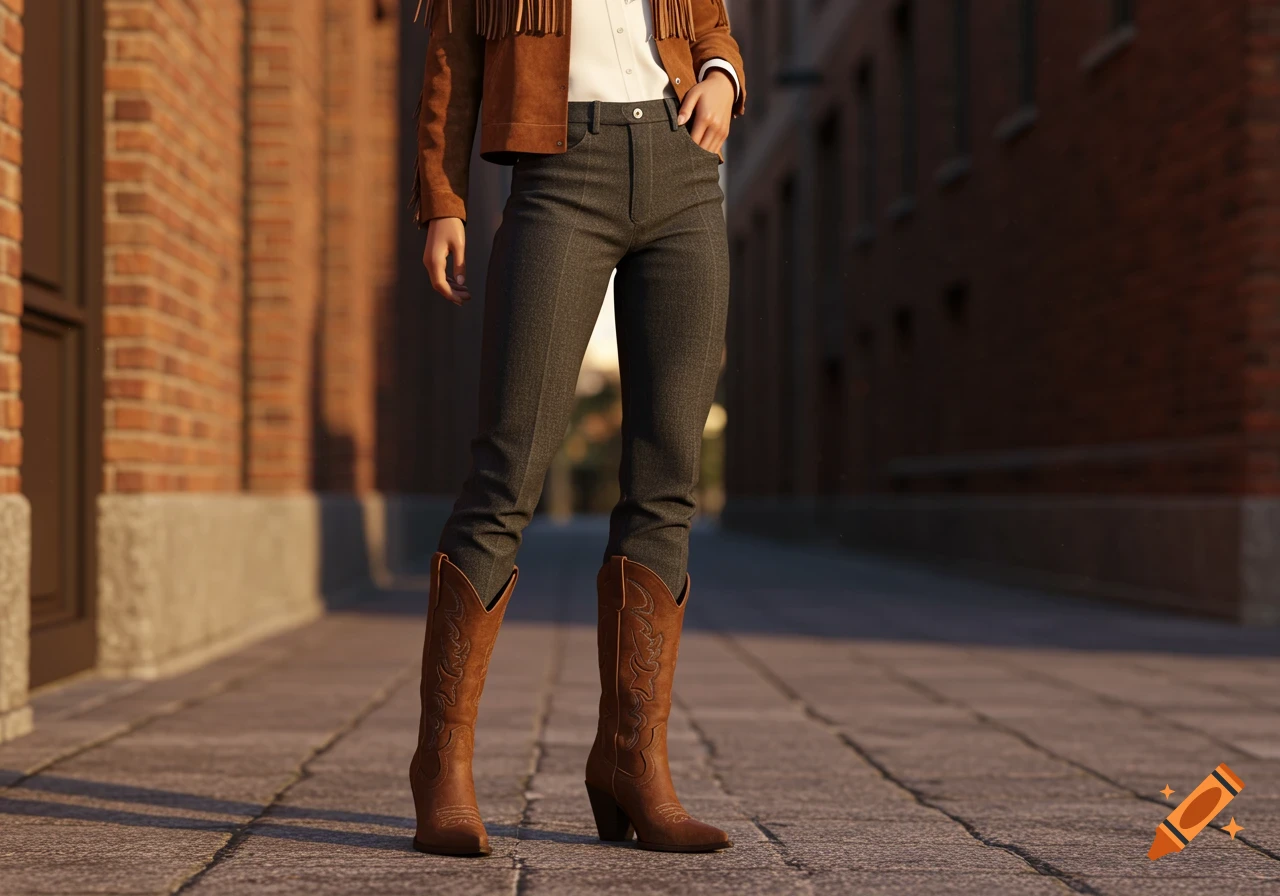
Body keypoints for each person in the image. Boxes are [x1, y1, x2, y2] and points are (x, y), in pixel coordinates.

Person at [406, 0, 747, 858]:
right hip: (560, 173)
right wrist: (442, 198)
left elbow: (711, 22)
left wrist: (721, 74)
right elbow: (451, 62)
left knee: (668, 476)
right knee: (506, 468)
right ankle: (440, 764)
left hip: (683, 173)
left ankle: (634, 760)